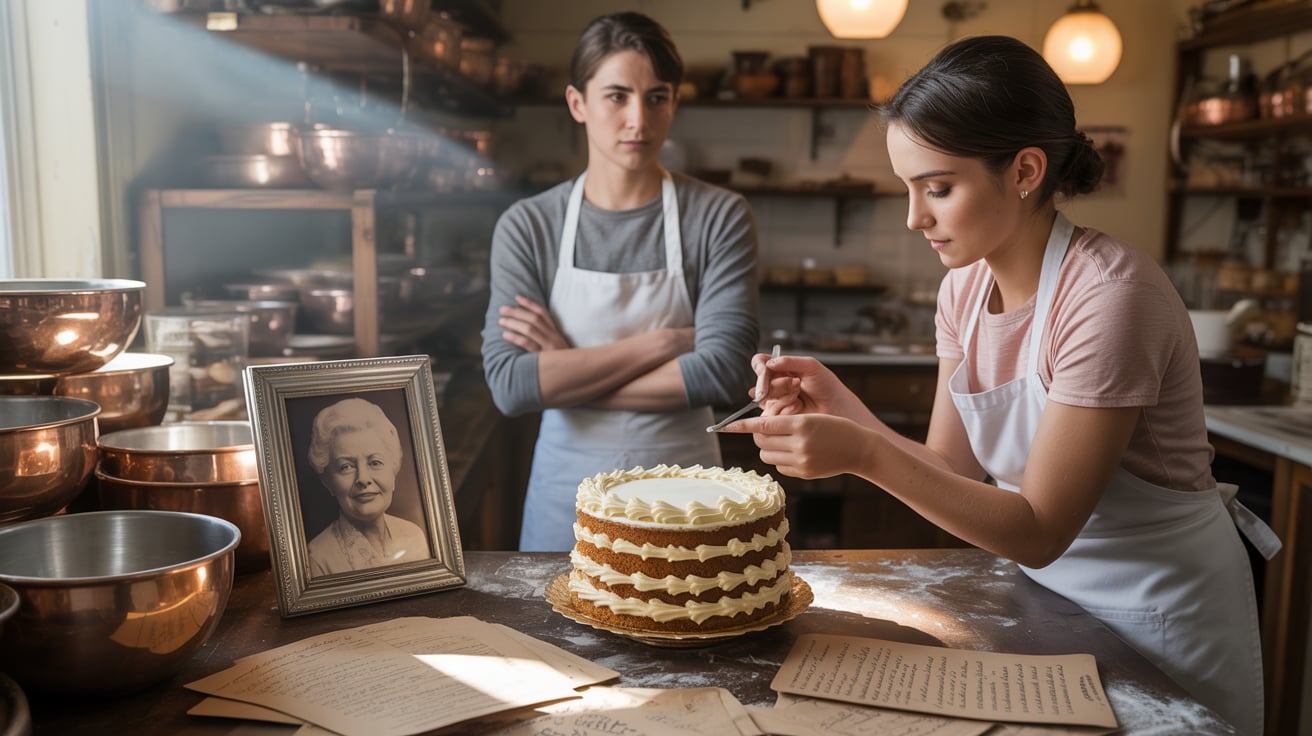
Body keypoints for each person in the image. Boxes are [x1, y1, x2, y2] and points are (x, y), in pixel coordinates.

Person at [724, 36, 1279, 736]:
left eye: (938, 188)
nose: (914, 216)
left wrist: (861, 454)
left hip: (1159, 615)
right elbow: (950, 472)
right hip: (1049, 602)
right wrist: (843, 409)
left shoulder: (1110, 297)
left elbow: (1039, 529)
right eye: (908, 188)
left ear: (1024, 171)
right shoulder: (963, 291)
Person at [481, 11, 760, 552]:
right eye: (616, 96)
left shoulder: (718, 217)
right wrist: (666, 343)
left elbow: (723, 373)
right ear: (577, 103)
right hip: (566, 502)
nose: (639, 119)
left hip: (689, 503)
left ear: (673, 103)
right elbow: (512, 386)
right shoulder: (530, 225)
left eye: (657, 97)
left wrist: (565, 369)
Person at [305, 397, 431, 576]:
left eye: (375, 462)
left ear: (393, 470)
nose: (363, 479)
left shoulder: (415, 535)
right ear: (328, 482)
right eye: (346, 467)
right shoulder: (317, 559)